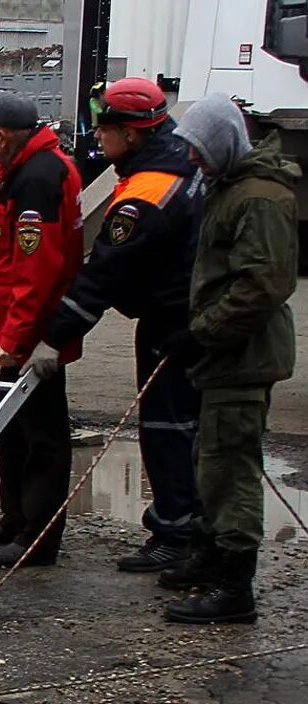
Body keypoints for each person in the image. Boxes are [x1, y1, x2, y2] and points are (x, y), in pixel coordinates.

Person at [37, 78, 205, 574]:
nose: (97, 140)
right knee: (187, 427)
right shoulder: (179, 158)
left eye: (104, 130)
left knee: (167, 427)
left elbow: (105, 273)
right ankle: (190, 524)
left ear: (131, 134)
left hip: (172, 322)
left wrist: (55, 335)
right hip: (189, 315)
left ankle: (177, 533)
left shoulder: (146, 194)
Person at [161, 96, 300, 624]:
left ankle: (234, 587)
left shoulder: (259, 198)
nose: (193, 160)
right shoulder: (229, 187)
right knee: (210, 457)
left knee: (231, 467)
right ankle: (211, 556)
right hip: (223, 352)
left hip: (243, 355)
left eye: (199, 150)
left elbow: (263, 283)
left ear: (222, 143)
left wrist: (202, 331)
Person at [0, 94, 84, 569]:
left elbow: (37, 271)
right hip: (16, 335)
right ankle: (14, 518)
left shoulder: (38, 179)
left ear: (1, 135)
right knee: (10, 433)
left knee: (42, 440)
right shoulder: (24, 172)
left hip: (32, 338)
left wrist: (17, 340)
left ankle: (37, 538)